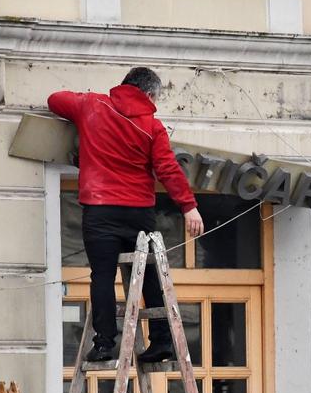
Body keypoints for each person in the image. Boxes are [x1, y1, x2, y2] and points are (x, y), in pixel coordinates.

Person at [48, 67, 204, 364]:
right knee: (147, 277)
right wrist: (189, 207)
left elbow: (55, 99)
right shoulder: (152, 127)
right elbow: (168, 169)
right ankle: (161, 341)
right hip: (138, 213)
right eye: (155, 98)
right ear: (147, 94)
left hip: (99, 210)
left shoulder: (93, 105)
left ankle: (105, 343)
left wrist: (83, 103)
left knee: (103, 277)